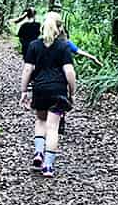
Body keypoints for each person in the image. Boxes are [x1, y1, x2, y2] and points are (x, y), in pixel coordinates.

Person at [19, 12, 76, 178]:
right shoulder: (64, 47)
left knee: (40, 120)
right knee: (53, 128)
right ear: (59, 28)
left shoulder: (34, 45)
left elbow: (28, 69)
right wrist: (72, 93)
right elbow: (69, 71)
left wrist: (24, 91)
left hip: (40, 90)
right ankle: (48, 166)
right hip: (58, 91)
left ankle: (38, 153)